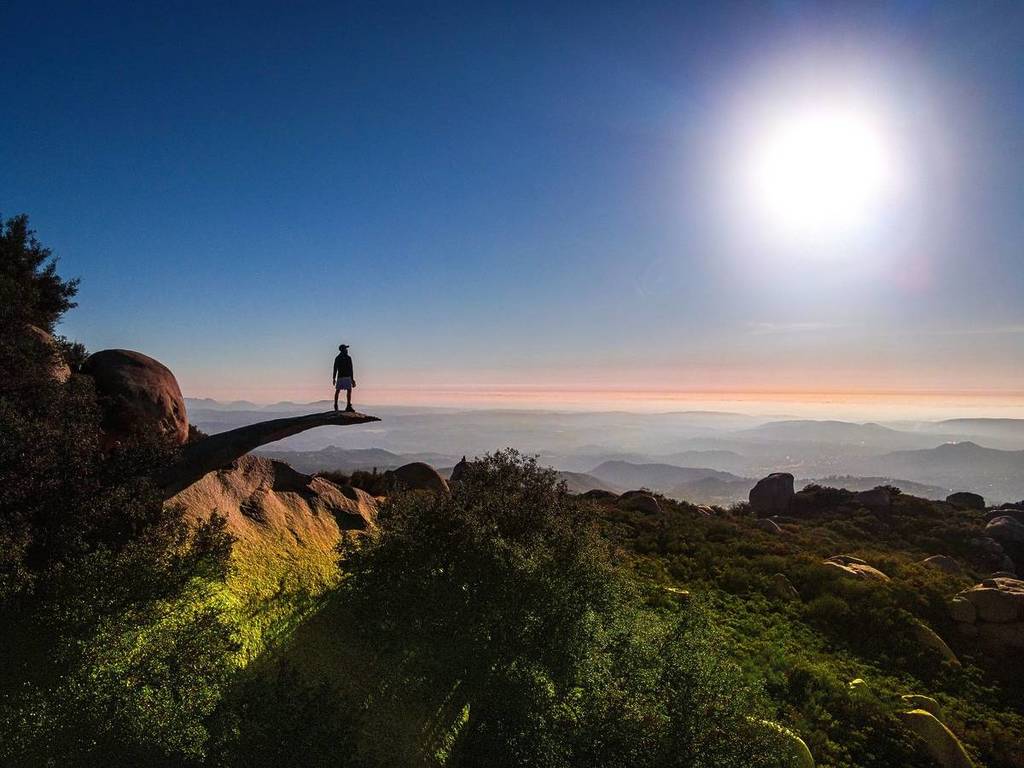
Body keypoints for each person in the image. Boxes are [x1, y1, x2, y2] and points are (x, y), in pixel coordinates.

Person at [332, 343, 356, 412]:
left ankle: (336, 405)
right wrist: (352, 379)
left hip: (340, 377)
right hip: (346, 377)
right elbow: (351, 369)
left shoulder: (337, 358)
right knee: (348, 390)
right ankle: (348, 406)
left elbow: (335, 369)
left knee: (338, 391)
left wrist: (333, 378)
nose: (347, 350)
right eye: (346, 348)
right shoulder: (348, 358)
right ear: (343, 350)